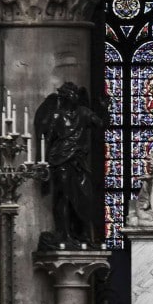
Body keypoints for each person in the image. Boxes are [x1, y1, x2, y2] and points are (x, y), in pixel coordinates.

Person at [35, 82, 107, 248]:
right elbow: (48, 140)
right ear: (65, 96)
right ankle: (64, 235)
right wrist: (43, 164)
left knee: (84, 197)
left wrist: (103, 109)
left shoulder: (83, 112)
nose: (75, 96)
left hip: (79, 161)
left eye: (75, 93)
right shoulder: (56, 116)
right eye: (71, 93)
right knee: (64, 198)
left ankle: (82, 234)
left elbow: (101, 124)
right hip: (60, 161)